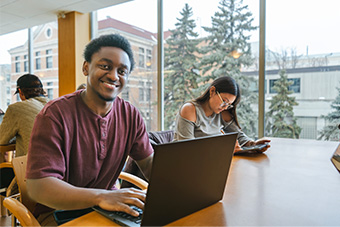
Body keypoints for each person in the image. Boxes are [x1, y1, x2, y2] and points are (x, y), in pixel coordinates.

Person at [26, 34, 154, 226]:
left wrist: (180, 182)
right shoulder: (54, 115)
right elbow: (39, 187)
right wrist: (100, 197)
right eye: (105, 66)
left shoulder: (131, 115)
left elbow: (149, 164)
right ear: (86, 67)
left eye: (122, 71)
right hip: (59, 214)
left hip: (109, 208)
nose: (113, 76)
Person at [174, 76, 270, 153]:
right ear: (212, 91)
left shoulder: (222, 112)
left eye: (229, 105)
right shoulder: (190, 110)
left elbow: (237, 135)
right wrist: (224, 150)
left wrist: (253, 144)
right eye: (224, 101)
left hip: (211, 164)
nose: (225, 107)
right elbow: (187, 150)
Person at [0, 74, 49, 157]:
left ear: (20, 91)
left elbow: (1, 139)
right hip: (60, 165)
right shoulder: (54, 105)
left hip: (32, 165)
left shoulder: (16, 108)